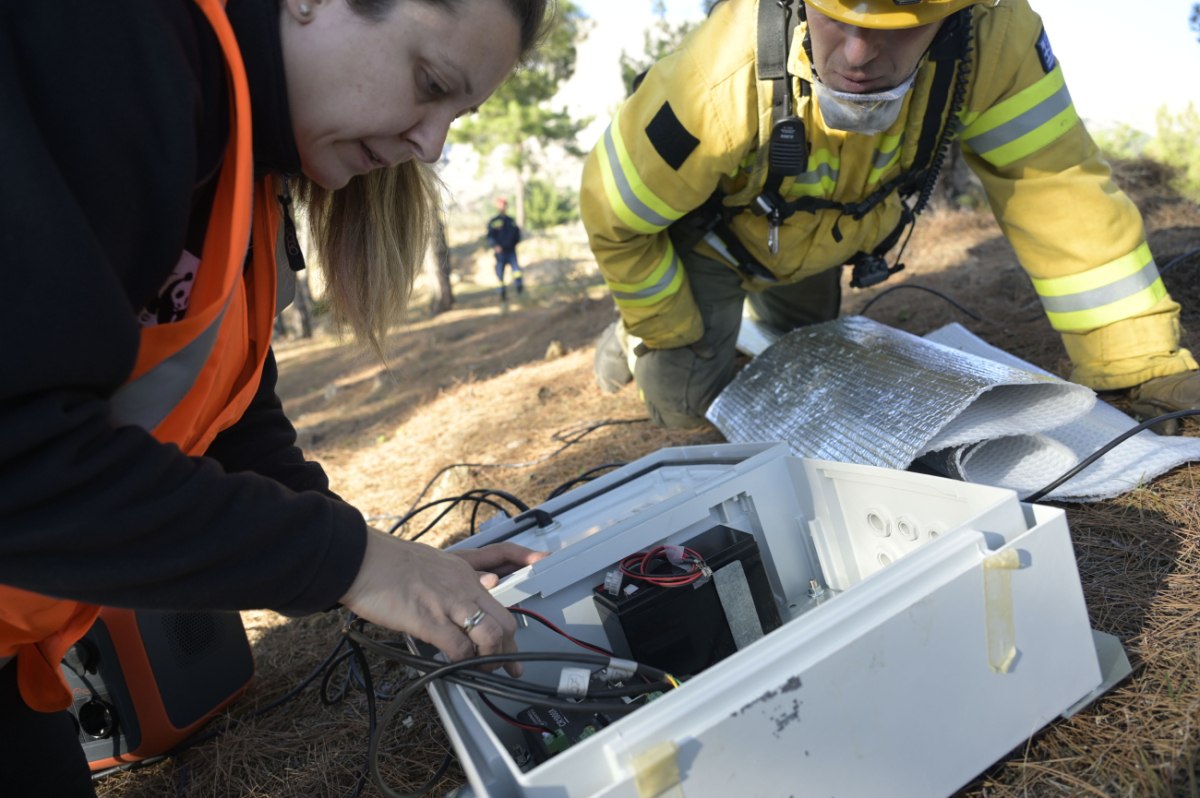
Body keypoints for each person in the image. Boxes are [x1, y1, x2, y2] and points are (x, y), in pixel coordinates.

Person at [0, 0, 553, 793]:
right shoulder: (106, 43)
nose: (431, 145)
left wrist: (395, 569)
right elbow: (17, 460)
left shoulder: (247, 167)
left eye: (456, 116)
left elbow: (227, 412)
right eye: (430, 84)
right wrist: (350, 563)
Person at [582, 0, 1200, 430]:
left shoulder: (993, 40)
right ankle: (626, 339)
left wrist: (1136, 362)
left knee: (804, 355)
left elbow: (1058, 190)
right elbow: (616, 219)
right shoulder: (717, 76)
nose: (857, 55)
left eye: (901, 21)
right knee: (688, 405)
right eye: (836, 13)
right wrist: (665, 326)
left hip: (813, 250)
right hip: (715, 247)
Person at [487, 196, 525, 301]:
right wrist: (495, 246)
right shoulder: (494, 221)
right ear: (497, 206)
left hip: (511, 251)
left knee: (517, 271)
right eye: (500, 205)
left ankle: (520, 289)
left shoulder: (510, 220)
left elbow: (517, 234)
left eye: (504, 205)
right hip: (500, 253)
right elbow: (490, 237)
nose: (502, 207)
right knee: (500, 273)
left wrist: (514, 243)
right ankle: (502, 293)